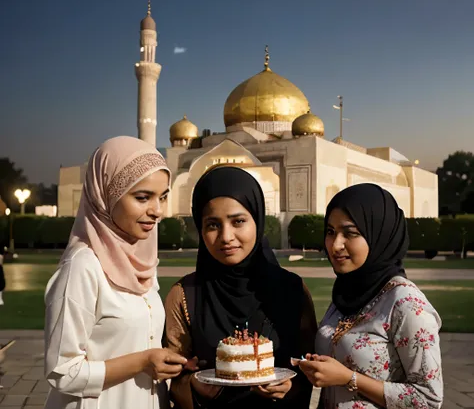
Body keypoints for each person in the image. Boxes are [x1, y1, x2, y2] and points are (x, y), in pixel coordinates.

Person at [43, 136, 189, 409]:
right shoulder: (83, 267)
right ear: (106, 194)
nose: (157, 211)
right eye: (142, 197)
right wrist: (143, 362)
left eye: (163, 197)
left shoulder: (140, 263)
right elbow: (62, 372)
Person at [164, 166, 317, 409]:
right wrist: (192, 385)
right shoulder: (185, 295)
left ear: (257, 220)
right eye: (212, 225)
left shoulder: (292, 290)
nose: (226, 236)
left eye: (238, 221)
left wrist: (291, 387)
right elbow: (170, 376)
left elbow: (309, 367)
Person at [298, 183, 443, 408]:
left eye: (350, 233)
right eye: (330, 232)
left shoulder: (406, 304)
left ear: (379, 234)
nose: (335, 245)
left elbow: (428, 399)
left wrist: (349, 378)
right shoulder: (347, 293)